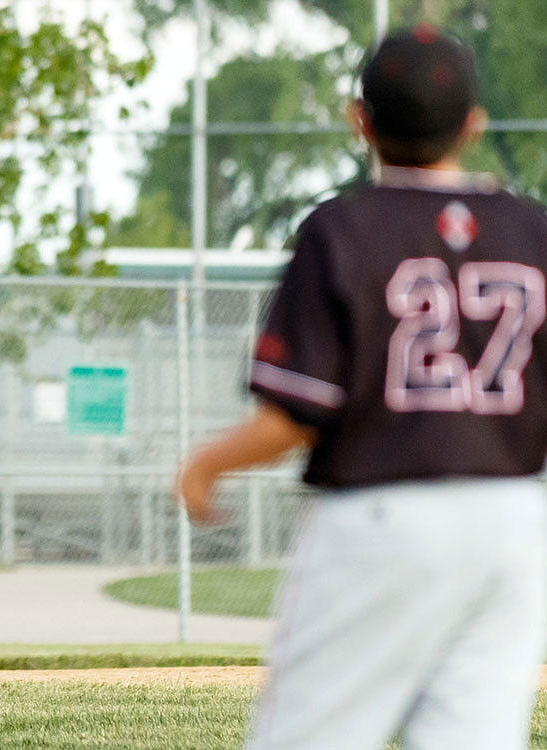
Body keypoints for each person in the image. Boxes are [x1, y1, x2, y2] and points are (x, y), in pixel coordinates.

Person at [178, 25, 547, 750]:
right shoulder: (533, 232)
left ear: (360, 119)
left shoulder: (342, 229)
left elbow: (296, 418)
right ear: (473, 124)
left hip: (382, 515)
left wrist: (205, 464)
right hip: (513, 518)